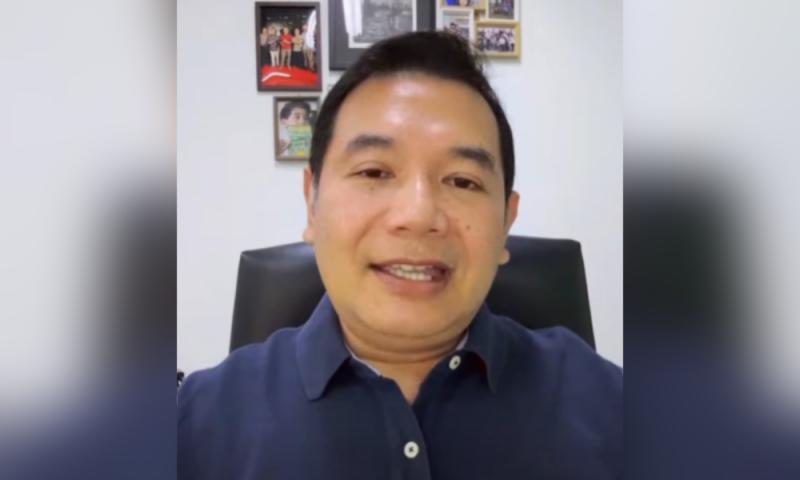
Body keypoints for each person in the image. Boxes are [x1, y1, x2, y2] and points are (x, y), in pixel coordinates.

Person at [178, 31, 622, 479]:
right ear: (312, 201)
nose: (418, 214)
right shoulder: (194, 426)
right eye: (374, 171)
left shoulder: (612, 409)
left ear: (507, 221)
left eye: (463, 181)